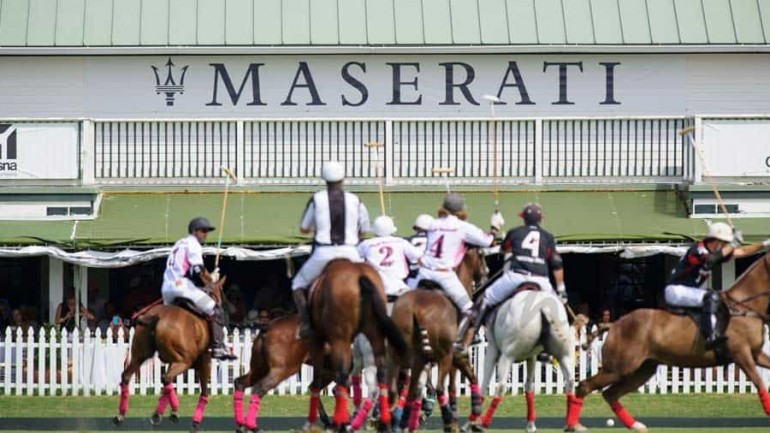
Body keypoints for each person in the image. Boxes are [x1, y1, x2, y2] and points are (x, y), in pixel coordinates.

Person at [458, 203, 566, 356]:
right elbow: (556, 264)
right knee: (555, 307)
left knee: (486, 297)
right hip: (541, 279)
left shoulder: (515, 232)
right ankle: (550, 344)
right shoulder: (548, 237)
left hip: (516, 276)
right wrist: (561, 289)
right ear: (540, 219)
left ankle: (474, 333)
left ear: (524, 219)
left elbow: (504, 251)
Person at [414, 193, 502, 354]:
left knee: (404, 301)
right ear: (461, 209)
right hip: (444, 275)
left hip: (424, 272)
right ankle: (458, 342)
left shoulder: (433, 224)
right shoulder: (463, 227)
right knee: (470, 310)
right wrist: (495, 227)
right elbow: (489, 242)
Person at [291, 161, 371, 338]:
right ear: (343, 179)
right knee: (371, 283)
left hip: (323, 253)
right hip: (351, 252)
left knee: (297, 284)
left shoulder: (317, 199)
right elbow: (365, 230)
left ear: (324, 180)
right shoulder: (355, 200)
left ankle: (306, 324)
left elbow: (304, 228)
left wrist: (317, 228)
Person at [664, 222, 770, 349]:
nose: (725, 246)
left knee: (720, 299)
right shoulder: (697, 249)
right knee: (712, 297)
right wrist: (732, 244)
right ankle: (711, 336)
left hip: (689, 290)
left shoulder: (717, 252)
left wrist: (765, 243)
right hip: (675, 290)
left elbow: (742, 252)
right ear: (715, 241)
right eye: (724, 243)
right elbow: (710, 260)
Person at [161, 217, 236, 360]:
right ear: (194, 231)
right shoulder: (193, 244)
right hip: (182, 287)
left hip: (166, 288)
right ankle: (218, 347)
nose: (205, 234)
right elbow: (198, 271)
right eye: (203, 231)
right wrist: (212, 279)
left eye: (207, 231)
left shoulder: (179, 243)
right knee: (215, 310)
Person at [358, 215, 423, 305]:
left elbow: (356, 260)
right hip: (399, 286)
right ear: (391, 229)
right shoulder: (400, 241)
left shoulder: (366, 244)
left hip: (375, 287)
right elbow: (417, 256)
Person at [406, 214, 433, 287]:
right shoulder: (437, 240)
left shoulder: (406, 241)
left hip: (413, 276)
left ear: (416, 228)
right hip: (433, 275)